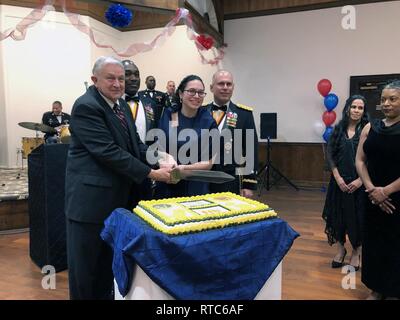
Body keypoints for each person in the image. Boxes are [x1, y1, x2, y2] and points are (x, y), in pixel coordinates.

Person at [64, 56, 174, 300]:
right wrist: (152, 173)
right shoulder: (86, 106)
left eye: (121, 79)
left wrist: (160, 156)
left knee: (107, 271)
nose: (117, 84)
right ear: (95, 80)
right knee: (87, 275)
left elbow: (133, 145)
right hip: (90, 208)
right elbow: (108, 152)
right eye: (111, 78)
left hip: (116, 202)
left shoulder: (120, 105)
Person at [356, 80, 400, 300]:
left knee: (395, 244)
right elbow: (360, 161)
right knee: (374, 243)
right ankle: (376, 288)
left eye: (393, 99)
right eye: (383, 99)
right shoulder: (370, 126)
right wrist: (373, 189)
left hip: (397, 199)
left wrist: (387, 191)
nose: (387, 103)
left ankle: (394, 290)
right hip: (371, 196)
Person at [322, 95, 368, 271]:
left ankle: (356, 252)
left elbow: (370, 159)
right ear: (348, 108)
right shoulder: (338, 129)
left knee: (357, 218)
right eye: (354, 107)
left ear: (364, 111)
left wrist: (360, 180)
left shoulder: (368, 129)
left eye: (360, 108)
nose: (356, 110)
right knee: (337, 217)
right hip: (339, 183)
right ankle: (341, 249)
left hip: (359, 184)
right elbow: (330, 155)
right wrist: (338, 178)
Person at [154, 75, 218, 198]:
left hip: (196, 186)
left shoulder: (208, 121)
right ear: (181, 94)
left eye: (200, 92)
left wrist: (182, 171)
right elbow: (158, 148)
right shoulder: (169, 115)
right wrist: (165, 162)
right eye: (192, 91)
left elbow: (209, 162)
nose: (197, 96)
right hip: (167, 182)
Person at [206, 70, 258, 198]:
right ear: (211, 87)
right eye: (221, 84)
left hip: (231, 178)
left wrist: (248, 184)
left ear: (233, 87)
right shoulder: (201, 112)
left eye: (228, 84)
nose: (225, 88)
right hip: (203, 178)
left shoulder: (244, 114)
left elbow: (251, 150)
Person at [122, 60, 162, 143]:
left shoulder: (149, 104)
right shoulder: (113, 103)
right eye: (127, 74)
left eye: (136, 75)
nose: (133, 79)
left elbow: (153, 128)